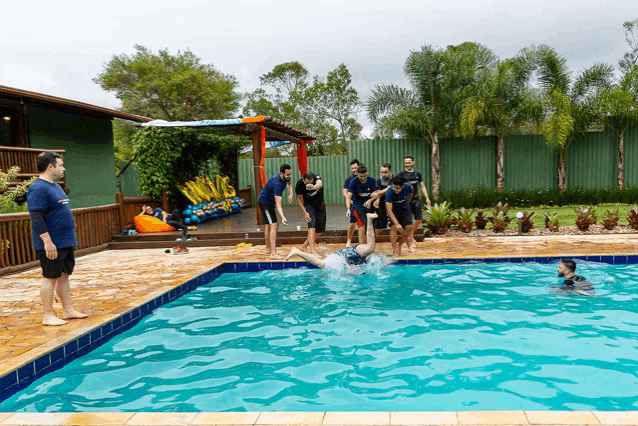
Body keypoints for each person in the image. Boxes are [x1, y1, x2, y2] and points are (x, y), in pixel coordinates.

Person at [26, 152, 88, 326]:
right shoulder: (38, 188)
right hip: (51, 244)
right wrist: (47, 242)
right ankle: (48, 315)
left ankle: (68, 310)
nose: (63, 169)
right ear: (50, 167)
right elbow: (36, 218)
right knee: (50, 277)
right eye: (60, 165)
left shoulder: (55, 186)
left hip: (64, 241)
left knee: (64, 276)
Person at [285, 212, 378, 268]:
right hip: (344, 256)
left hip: (350, 255)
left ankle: (369, 219)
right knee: (321, 264)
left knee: (370, 248)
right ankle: (297, 251)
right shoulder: (339, 262)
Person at [257, 164, 293, 259]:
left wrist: (291, 194)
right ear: (282, 174)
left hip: (268, 201)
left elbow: (289, 183)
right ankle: (273, 253)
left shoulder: (284, 178)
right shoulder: (277, 184)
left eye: (290, 174)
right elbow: (278, 204)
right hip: (265, 203)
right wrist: (283, 217)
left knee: (269, 225)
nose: (289, 176)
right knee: (274, 225)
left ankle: (268, 249)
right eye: (287, 174)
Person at [397, 155, 432, 250]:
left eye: (409, 162)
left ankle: (410, 234)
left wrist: (427, 198)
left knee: (419, 219)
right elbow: (398, 187)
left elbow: (422, 186)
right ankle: (411, 239)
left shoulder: (417, 173)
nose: (407, 164)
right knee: (409, 221)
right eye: (406, 163)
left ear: (413, 162)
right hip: (407, 200)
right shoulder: (402, 174)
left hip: (416, 199)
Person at [295, 171, 326, 254]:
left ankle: (304, 246)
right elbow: (298, 198)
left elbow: (320, 184)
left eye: (311, 181)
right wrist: (304, 212)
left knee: (320, 231)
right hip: (309, 206)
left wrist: (313, 187)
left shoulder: (316, 177)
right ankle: (312, 250)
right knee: (312, 227)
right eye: (307, 182)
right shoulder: (299, 183)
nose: (308, 184)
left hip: (320, 205)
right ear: (304, 180)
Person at [346, 164, 377, 245]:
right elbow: (349, 197)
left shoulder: (372, 180)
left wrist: (371, 200)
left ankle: (368, 243)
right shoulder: (353, 181)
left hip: (369, 205)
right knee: (358, 223)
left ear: (367, 173)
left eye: (364, 176)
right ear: (358, 174)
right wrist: (348, 209)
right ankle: (355, 242)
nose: (363, 178)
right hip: (357, 205)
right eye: (361, 176)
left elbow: (376, 194)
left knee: (369, 224)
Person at [386, 176, 415, 256]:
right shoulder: (389, 192)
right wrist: (397, 223)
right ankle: (394, 249)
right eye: (394, 187)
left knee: (409, 227)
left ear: (402, 186)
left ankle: (400, 244)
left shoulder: (408, 187)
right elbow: (389, 210)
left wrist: (407, 202)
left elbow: (411, 193)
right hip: (393, 210)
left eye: (398, 188)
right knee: (394, 227)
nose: (395, 190)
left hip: (404, 207)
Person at [373, 163, 393, 238]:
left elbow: (389, 188)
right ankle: (374, 238)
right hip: (382, 200)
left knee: (393, 221)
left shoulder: (393, 178)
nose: (383, 174)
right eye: (382, 172)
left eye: (385, 172)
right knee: (380, 221)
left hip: (391, 201)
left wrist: (378, 194)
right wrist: (377, 199)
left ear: (390, 171)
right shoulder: (379, 179)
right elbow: (378, 190)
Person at [343, 159, 360, 247]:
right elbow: (344, 192)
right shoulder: (349, 179)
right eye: (352, 168)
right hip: (353, 204)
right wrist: (349, 200)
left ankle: (363, 242)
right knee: (352, 223)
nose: (354, 170)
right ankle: (349, 240)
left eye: (355, 168)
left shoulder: (364, 177)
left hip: (363, 204)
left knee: (363, 224)